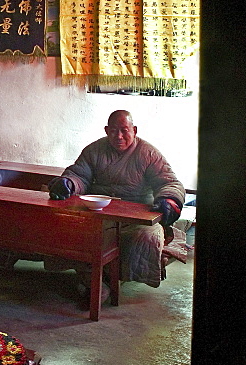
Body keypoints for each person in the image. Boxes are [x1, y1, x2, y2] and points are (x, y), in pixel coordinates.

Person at [48, 109, 185, 296]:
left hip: (135, 217)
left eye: (124, 130)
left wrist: (168, 201)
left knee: (147, 236)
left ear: (134, 130)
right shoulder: (94, 150)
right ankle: (92, 278)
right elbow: (79, 175)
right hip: (98, 214)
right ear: (106, 130)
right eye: (113, 131)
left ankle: (110, 279)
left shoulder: (148, 153)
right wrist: (69, 184)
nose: (119, 136)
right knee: (69, 228)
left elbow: (169, 182)